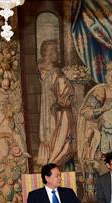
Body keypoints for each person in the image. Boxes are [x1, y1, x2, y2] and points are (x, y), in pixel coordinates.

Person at [35, 39, 76, 167]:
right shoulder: (55, 72)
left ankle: (51, 157)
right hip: (55, 108)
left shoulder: (46, 70)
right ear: (49, 53)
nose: (58, 53)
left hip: (51, 107)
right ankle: (55, 158)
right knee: (57, 132)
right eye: (55, 50)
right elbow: (64, 93)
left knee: (52, 131)